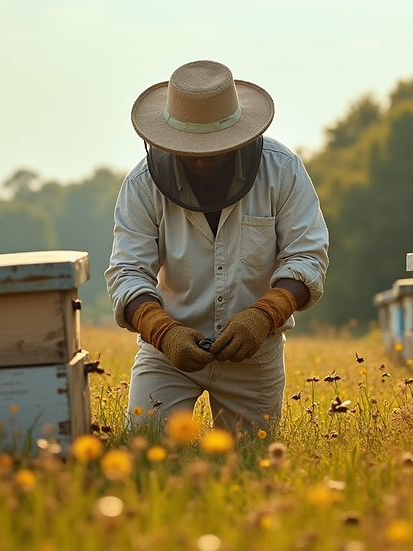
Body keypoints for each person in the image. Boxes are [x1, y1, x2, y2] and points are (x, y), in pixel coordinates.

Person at [105, 60, 329, 432]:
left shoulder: (283, 170)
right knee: (145, 448)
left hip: (255, 350)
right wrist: (163, 330)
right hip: (167, 353)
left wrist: (264, 315)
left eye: (213, 146)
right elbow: (127, 273)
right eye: (190, 146)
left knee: (250, 463)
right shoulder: (141, 186)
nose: (200, 157)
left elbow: (307, 256)